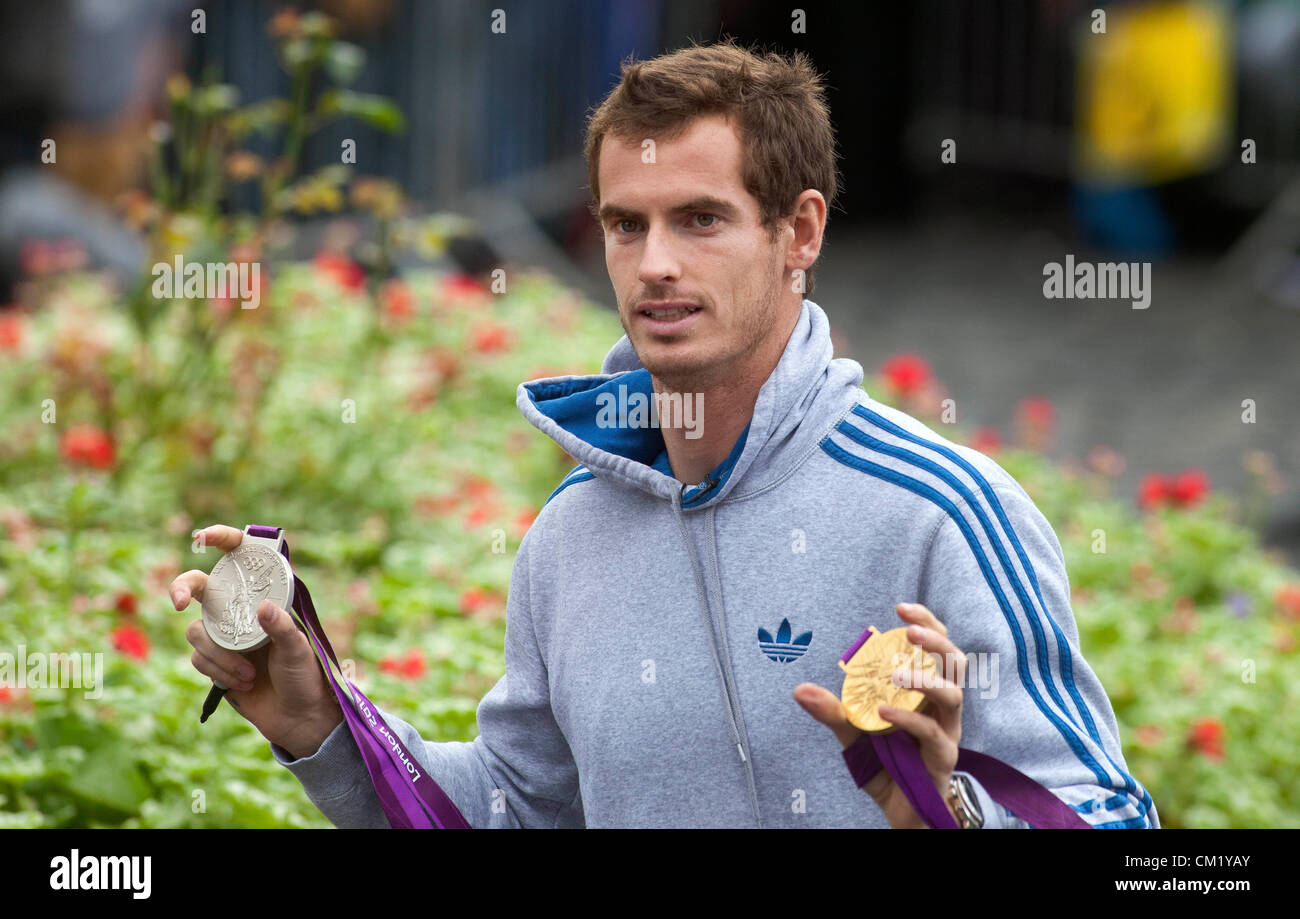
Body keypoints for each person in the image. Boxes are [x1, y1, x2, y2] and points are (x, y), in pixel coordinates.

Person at [172, 39, 1157, 828]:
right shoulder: (567, 540)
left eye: (699, 220)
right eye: (625, 225)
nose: (653, 265)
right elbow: (514, 815)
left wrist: (950, 816)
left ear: (799, 232)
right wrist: (321, 728)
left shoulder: (944, 512)